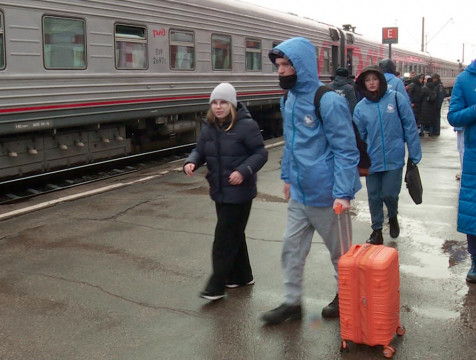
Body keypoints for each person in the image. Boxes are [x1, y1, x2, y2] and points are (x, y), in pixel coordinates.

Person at [261, 37, 361, 324]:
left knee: (340, 256)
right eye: (278, 65)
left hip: (329, 196)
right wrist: (287, 177)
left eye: (286, 64)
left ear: (301, 66)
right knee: (291, 250)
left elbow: (346, 149)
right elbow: (291, 145)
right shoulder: (288, 99)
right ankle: (292, 303)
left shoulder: (327, 100)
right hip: (300, 195)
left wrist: (343, 193)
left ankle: (346, 298)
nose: (280, 71)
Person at [183, 82, 268, 300]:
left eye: (223, 102)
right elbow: (200, 149)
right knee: (234, 234)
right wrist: (191, 162)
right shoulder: (210, 127)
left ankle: (216, 285)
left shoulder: (246, 125)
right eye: (214, 103)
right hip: (219, 190)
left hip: (240, 191)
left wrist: (243, 170)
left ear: (232, 104)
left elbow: (260, 154)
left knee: (223, 238)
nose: (218, 107)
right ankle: (242, 276)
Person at [353, 65, 422, 244]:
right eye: (367, 80)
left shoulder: (396, 99)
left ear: (381, 80)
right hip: (372, 160)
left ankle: (392, 215)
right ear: (363, 84)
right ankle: (376, 230)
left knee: (390, 194)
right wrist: (357, 159)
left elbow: (410, 126)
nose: (371, 83)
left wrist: (414, 155)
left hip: (394, 158)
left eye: (374, 79)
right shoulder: (360, 108)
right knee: (374, 196)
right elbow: (358, 136)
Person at [447, 58, 476, 283]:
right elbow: (453, 116)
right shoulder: (465, 79)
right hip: (474, 152)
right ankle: (475, 260)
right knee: (472, 209)